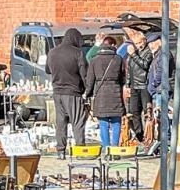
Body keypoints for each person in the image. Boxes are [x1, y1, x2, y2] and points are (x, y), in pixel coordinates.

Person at [46, 26, 90, 156]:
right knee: (77, 121)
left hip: (57, 92)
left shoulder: (52, 52)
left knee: (61, 122)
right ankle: (80, 149)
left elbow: (47, 70)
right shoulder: (78, 53)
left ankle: (61, 151)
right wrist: (88, 89)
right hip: (73, 92)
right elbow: (84, 73)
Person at [84, 32, 127, 148]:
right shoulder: (118, 59)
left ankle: (106, 148)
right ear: (113, 45)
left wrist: (87, 94)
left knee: (103, 123)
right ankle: (115, 148)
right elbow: (123, 78)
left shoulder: (94, 60)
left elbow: (90, 80)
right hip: (115, 92)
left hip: (100, 93)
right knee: (116, 122)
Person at [122, 28, 154, 144]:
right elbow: (130, 69)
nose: (139, 45)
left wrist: (134, 55)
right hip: (135, 85)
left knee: (147, 111)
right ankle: (139, 134)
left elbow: (144, 65)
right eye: (136, 43)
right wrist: (128, 84)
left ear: (144, 41)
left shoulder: (148, 52)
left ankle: (148, 135)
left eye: (140, 42)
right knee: (133, 111)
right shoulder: (133, 54)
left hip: (144, 84)